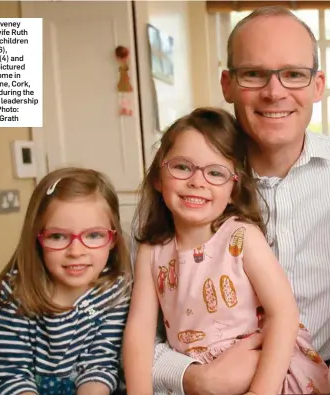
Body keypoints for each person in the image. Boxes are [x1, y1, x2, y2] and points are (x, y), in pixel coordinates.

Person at [150, 6, 330, 395]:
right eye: (254, 73)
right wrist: (192, 378)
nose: (274, 91)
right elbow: (130, 332)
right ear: (227, 84)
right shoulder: (185, 186)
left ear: (318, 86)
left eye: (294, 74)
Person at [123, 107, 329, 395]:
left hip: (269, 376)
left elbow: (284, 314)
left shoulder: (241, 237)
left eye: (215, 172)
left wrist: (260, 392)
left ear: (234, 188)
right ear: (159, 178)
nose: (197, 181)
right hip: (201, 378)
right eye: (182, 167)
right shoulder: (151, 250)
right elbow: (140, 332)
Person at [0, 167, 132, 395]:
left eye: (93, 235)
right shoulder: (14, 293)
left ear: (113, 239)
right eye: (58, 236)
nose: (76, 251)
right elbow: (9, 373)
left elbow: (100, 364)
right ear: (37, 238)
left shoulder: (116, 292)